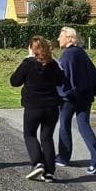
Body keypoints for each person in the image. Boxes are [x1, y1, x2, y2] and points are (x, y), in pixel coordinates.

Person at [54, 26, 96, 175]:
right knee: (84, 126)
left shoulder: (67, 55)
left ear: (69, 38)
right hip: (85, 96)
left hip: (70, 98)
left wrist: (58, 93)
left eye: (61, 36)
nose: (58, 39)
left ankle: (63, 157)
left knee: (64, 125)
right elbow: (93, 74)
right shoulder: (81, 53)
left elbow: (63, 78)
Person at [9, 36, 66, 182]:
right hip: (51, 106)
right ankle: (49, 172)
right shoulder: (53, 64)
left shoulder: (28, 63)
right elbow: (62, 80)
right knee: (47, 138)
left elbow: (14, 81)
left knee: (30, 134)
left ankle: (37, 162)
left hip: (33, 105)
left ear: (31, 49)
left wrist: (27, 60)